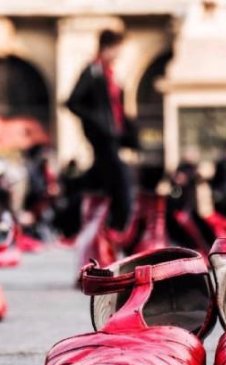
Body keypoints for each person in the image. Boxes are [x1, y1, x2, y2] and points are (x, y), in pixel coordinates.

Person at [66, 29, 137, 233]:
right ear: (107, 48)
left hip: (113, 136)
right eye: (117, 50)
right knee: (121, 180)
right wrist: (98, 122)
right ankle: (118, 228)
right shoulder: (93, 70)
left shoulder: (110, 73)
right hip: (103, 137)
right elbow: (73, 101)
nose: (119, 55)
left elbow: (117, 107)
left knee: (102, 180)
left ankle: (86, 221)